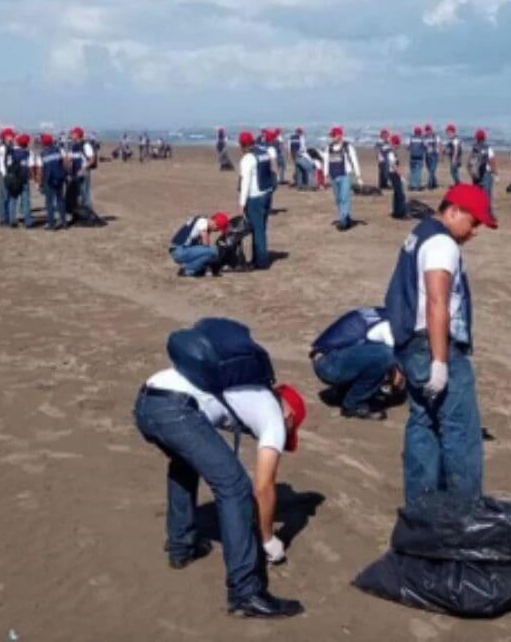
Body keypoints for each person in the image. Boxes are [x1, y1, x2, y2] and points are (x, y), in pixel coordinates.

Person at [134, 322, 306, 618]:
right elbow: (263, 488)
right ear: (289, 414)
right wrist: (268, 539)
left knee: (185, 463)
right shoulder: (275, 417)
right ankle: (245, 592)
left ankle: (181, 547)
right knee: (235, 487)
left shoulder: (247, 388)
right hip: (176, 409)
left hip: (146, 400)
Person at [383, 184, 496, 507]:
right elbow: (437, 301)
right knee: (460, 432)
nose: (474, 232)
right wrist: (440, 361)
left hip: (411, 344)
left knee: (423, 423)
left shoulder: (420, 233)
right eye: (473, 222)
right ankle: (463, 513)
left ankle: (422, 508)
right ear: (454, 211)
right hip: (433, 344)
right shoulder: (442, 244)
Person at [311, 306, 402, 420]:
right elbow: (394, 362)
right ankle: (353, 404)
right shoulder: (387, 327)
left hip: (325, 356)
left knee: (374, 354)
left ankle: (342, 393)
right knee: (385, 356)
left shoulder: (382, 314)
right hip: (328, 365)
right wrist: (397, 373)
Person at [236, 131, 274, 269]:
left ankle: (261, 261)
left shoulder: (247, 159)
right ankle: (257, 258)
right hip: (267, 194)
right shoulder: (263, 153)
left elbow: (245, 183)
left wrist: (241, 204)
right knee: (261, 228)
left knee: (257, 230)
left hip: (255, 198)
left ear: (243, 144)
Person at [325, 126, 362, 230]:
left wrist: (358, 175)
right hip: (333, 177)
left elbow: (354, 161)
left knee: (344, 198)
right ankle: (346, 218)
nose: (332, 137)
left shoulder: (348, 147)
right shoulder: (329, 148)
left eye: (333, 135)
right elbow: (326, 162)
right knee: (338, 199)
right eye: (331, 136)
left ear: (340, 136)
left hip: (345, 176)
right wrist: (325, 175)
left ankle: (343, 222)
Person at [170, 212, 226, 277]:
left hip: (179, 250)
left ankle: (190, 271)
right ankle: (188, 269)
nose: (217, 230)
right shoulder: (203, 222)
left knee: (208, 255)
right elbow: (205, 244)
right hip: (180, 250)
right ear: (215, 223)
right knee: (213, 251)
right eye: (218, 228)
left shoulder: (200, 220)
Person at [40, 134, 68, 229]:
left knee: (49, 203)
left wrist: (40, 183)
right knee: (60, 200)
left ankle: (51, 224)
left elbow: (42, 169)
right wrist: (65, 173)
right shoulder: (58, 150)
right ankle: (64, 222)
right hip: (59, 178)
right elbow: (64, 162)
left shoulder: (43, 153)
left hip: (49, 179)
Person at [69, 126, 96, 213]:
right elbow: (72, 160)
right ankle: (82, 213)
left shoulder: (85, 145)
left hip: (83, 173)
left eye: (73, 133)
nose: (71, 135)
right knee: (78, 194)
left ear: (77, 135)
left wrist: (84, 168)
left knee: (85, 193)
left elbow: (92, 159)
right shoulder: (74, 146)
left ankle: (89, 213)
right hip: (76, 173)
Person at [469, 129, 495, 201]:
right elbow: (491, 160)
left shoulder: (474, 147)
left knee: (476, 192)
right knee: (487, 194)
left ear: (476, 138)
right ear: (485, 138)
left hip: (476, 172)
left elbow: (471, 160)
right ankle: (487, 211)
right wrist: (495, 173)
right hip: (486, 172)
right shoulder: (488, 148)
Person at [386, 134, 407, 219]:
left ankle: (396, 212)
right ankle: (400, 213)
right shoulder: (391, 153)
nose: (398, 145)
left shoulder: (394, 152)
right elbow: (394, 166)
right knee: (400, 195)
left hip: (394, 174)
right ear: (394, 144)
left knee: (396, 194)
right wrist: (401, 176)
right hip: (394, 174)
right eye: (397, 144)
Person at [408, 126, 426, 191]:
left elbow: (408, 147)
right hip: (419, 157)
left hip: (412, 157)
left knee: (412, 171)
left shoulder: (411, 138)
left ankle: (412, 185)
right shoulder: (422, 139)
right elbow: (425, 147)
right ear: (420, 133)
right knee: (418, 171)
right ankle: (417, 185)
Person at [424, 124, 441, 189]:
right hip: (427, 155)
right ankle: (435, 183)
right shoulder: (424, 137)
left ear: (431, 130)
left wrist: (439, 152)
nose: (428, 131)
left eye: (429, 130)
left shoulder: (436, 136)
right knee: (430, 170)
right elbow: (423, 145)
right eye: (426, 130)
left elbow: (439, 144)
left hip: (434, 155)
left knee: (432, 170)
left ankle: (430, 185)